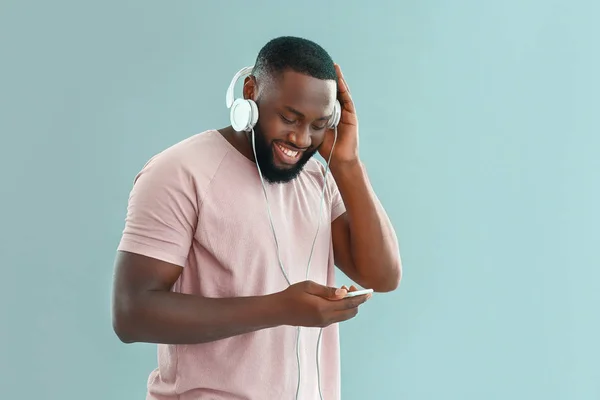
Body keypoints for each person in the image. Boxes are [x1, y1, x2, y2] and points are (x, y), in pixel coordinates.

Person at [111, 36, 402, 400]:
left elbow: (383, 275)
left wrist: (347, 164)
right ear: (250, 92)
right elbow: (131, 312)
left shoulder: (318, 179)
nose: (300, 138)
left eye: (318, 125)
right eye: (289, 118)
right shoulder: (178, 172)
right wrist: (279, 308)